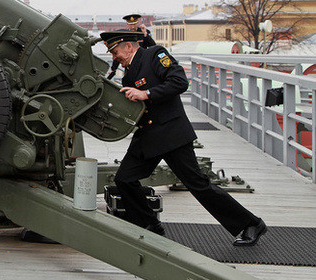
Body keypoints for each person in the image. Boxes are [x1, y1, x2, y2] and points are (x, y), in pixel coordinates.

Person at [100, 30, 267, 246]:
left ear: (129, 47)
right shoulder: (129, 72)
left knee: (198, 185)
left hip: (171, 134)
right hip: (148, 136)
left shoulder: (155, 55)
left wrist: (146, 94)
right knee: (124, 179)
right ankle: (150, 224)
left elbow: (180, 82)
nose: (115, 57)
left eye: (115, 52)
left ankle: (250, 224)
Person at [106, 13, 155, 80]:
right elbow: (119, 53)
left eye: (134, 24)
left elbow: (153, 45)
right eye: (130, 24)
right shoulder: (125, 35)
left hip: (142, 64)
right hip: (129, 65)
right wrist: (113, 69)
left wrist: (145, 35)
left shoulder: (142, 32)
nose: (132, 27)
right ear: (127, 24)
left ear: (137, 23)